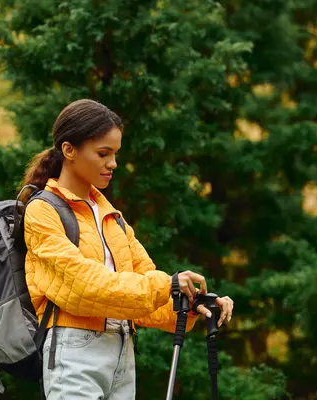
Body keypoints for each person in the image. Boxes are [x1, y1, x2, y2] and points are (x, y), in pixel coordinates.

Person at [22, 99, 234, 400]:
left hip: (122, 349)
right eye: (103, 154)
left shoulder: (112, 218)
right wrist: (168, 283)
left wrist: (192, 305)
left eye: (115, 154)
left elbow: (144, 294)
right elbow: (86, 286)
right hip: (73, 351)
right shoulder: (43, 212)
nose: (113, 164)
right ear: (69, 150)